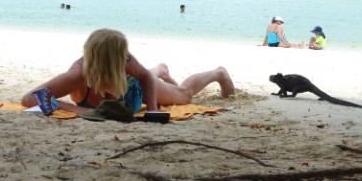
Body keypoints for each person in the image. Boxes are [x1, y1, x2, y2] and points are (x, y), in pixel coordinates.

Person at [22, 29, 235, 116]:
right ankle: (161, 68)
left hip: (134, 89)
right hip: (117, 88)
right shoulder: (78, 74)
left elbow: (143, 77)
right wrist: (78, 110)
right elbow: (28, 98)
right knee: (148, 73)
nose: (127, 56)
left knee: (184, 95)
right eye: (123, 55)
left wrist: (152, 111)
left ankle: (218, 73)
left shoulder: (127, 61)